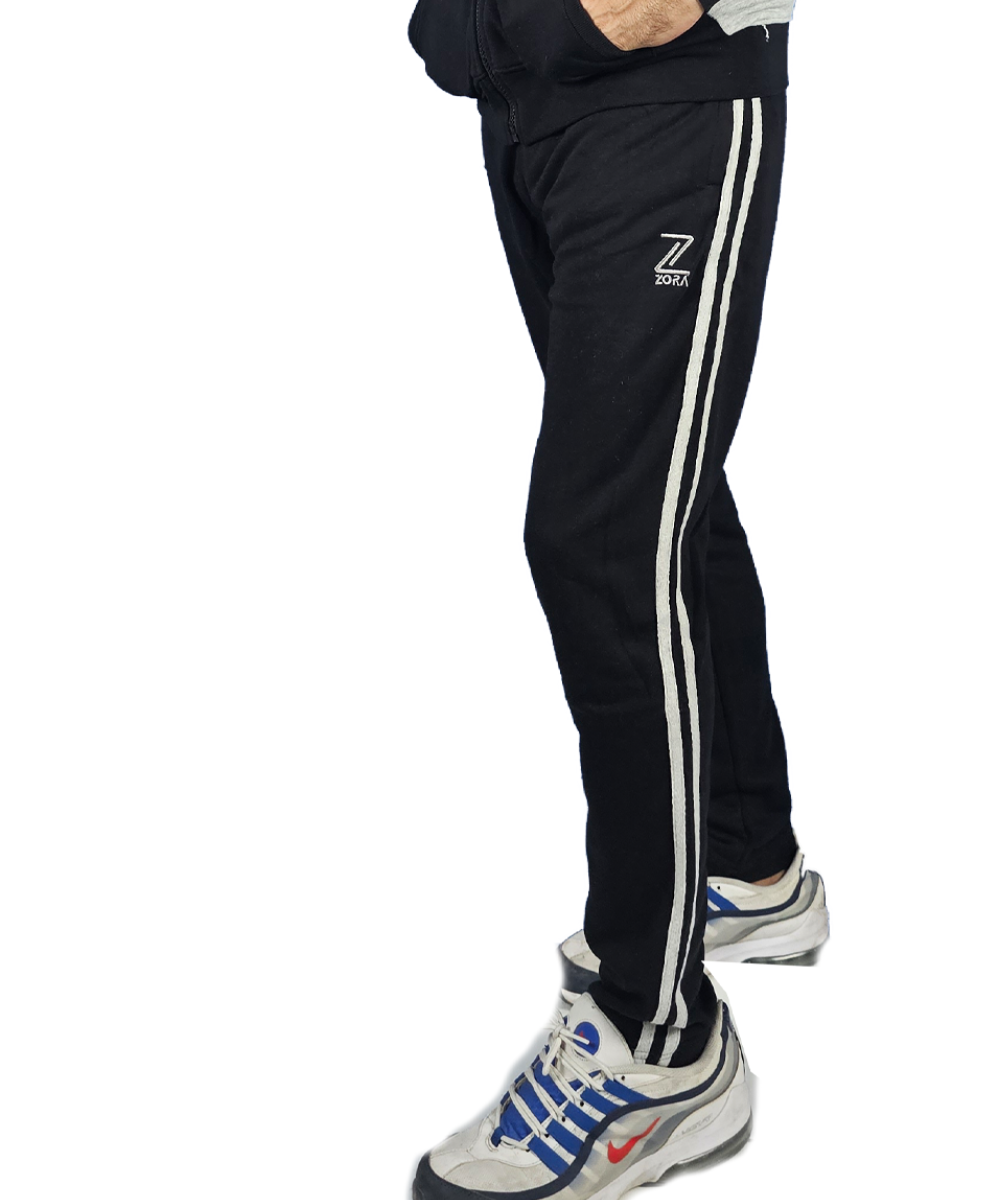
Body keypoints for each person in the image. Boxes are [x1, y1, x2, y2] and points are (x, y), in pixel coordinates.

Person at [406, 1, 829, 1196]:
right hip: (533, 99)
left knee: (599, 541)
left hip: (663, 95)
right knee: (656, 498)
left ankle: (661, 1039)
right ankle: (748, 864)